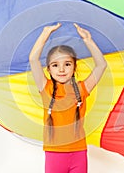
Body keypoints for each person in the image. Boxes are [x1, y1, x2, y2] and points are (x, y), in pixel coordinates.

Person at [29, 23, 107, 173]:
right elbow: (33, 59)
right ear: (49, 70)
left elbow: (101, 65)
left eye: (67, 64)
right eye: (55, 65)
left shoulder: (82, 88)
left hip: (79, 152)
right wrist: (45, 33)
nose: (62, 69)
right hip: (54, 153)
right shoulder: (45, 88)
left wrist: (88, 40)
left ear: (74, 67)